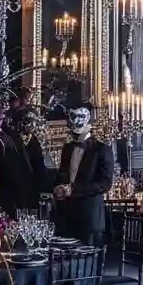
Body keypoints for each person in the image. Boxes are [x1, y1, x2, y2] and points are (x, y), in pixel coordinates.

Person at [53, 103, 114, 246]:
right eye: (72, 131)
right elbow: (62, 174)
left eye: (77, 132)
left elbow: (105, 184)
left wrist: (73, 189)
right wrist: (57, 188)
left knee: (89, 263)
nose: (74, 134)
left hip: (90, 216)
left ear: (89, 127)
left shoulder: (102, 150)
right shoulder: (67, 148)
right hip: (67, 215)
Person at [0, 104, 49, 217]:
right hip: (11, 193)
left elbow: (40, 167)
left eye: (35, 121)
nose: (32, 125)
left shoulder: (34, 142)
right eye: (29, 120)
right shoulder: (9, 140)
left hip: (30, 192)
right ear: (20, 122)